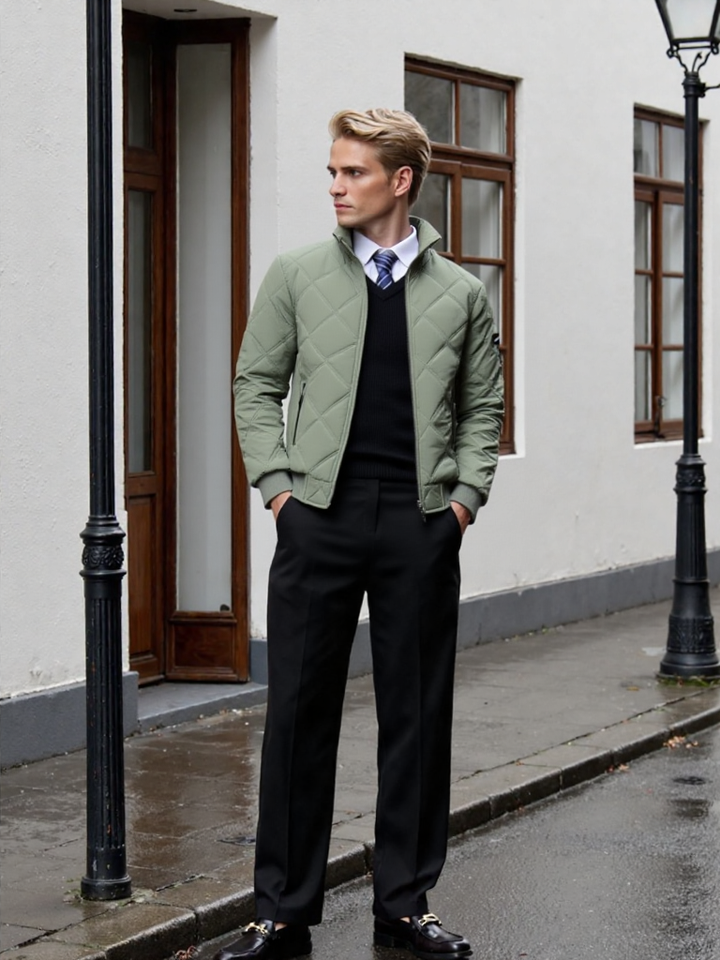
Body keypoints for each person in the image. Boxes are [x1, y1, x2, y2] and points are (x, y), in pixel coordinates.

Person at [219, 108, 504, 960]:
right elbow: (255, 383)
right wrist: (278, 492)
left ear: (401, 180)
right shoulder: (299, 274)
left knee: (416, 717)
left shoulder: (460, 293)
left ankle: (404, 905)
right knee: (298, 717)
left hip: (419, 524)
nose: (336, 187)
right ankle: (281, 913)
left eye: (353, 173)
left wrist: (461, 503)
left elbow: (483, 409)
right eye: (333, 172)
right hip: (318, 519)